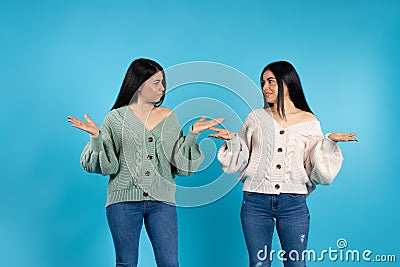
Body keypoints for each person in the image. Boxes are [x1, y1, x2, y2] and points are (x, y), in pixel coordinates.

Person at [67, 58, 223, 267]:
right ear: (140, 85)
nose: (163, 88)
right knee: (126, 263)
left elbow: (179, 165)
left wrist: (193, 134)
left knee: (169, 263)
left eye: (162, 82)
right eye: (156, 83)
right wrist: (96, 137)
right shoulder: (115, 118)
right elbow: (108, 166)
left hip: (162, 202)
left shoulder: (168, 116)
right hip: (122, 202)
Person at [209, 61, 357, 267]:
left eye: (271, 81)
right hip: (254, 202)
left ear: (288, 83)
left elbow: (316, 169)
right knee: (259, 263)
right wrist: (232, 141)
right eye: (262, 82)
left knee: (296, 264)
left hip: (293, 203)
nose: (265, 88)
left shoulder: (309, 120)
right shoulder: (256, 118)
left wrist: (329, 142)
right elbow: (241, 158)